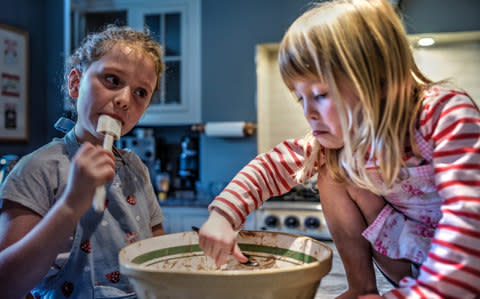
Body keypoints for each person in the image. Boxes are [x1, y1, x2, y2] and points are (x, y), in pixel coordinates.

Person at [198, 0, 480, 298]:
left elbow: (468, 219)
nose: (308, 113)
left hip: (464, 265)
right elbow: (271, 165)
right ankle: (361, 288)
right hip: (412, 261)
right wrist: (223, 216)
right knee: (332, 169)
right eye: (300, 98)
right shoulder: (346, 138)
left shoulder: (443, 115)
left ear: (380, 80)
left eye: (320, 94)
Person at [0, 25, 166, 298]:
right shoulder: (37, 170)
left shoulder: (136, 169)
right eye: (112, 80)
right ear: (76, 83)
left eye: (140, 93)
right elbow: (7, 285)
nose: (124, 100)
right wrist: (71, 204)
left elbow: (159, 256)